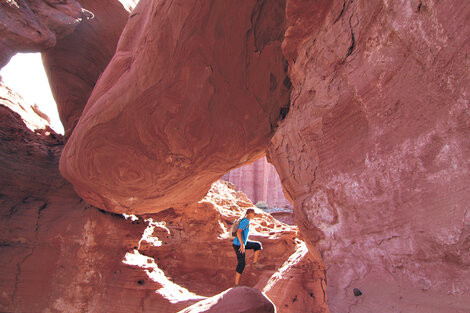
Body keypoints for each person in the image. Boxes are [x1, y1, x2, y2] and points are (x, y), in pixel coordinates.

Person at [233, 208, 264, 286]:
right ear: (250, 214)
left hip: (242, 243)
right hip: (238, 245)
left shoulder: (246, 220)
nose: (254, 215)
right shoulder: (245, 221)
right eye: (254, 214)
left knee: (257, 245)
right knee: (242, 264)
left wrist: (244, 242)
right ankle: (236, 284)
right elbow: (238, 232)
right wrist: (242, 244)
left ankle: (255, 263)